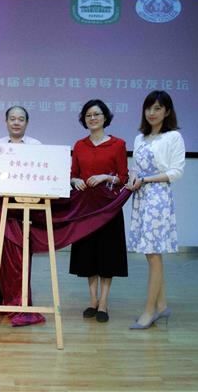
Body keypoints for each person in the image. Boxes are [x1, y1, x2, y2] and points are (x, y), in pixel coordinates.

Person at [126, 90, 185, 329]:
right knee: (151, 254)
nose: (152, 112)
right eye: (149, 108)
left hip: (158, 198)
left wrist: (145, 180)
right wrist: (133, 178)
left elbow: (176, 172)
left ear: (167, 111)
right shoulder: (140, 138)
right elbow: (135, 167)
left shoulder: (173, 137)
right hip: (141, 197)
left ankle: (149, 311)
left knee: (153, 254)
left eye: (158, 108)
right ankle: (161, 306)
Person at [69, 99, 129, 323]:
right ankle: (92, 300)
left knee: (107, 254)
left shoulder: (118, 144)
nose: (92, 118)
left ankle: (104, 302)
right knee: (88, 255)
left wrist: (105, 177)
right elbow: (72, 175)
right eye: (88, 115)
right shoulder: (80, 145)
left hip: (108, 208)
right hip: (85, 208)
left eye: (96, 114)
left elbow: (123, 177)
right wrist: (75, 181)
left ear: (105, 117)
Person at [0, 106, 45, 327]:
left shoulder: (36, 146)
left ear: (26, 123)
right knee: (2, 257)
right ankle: (3, 300)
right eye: (12, 118)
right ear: (6, 122)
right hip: (3, 209)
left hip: (26, 211)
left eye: (21, 119)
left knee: (22, 260)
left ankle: (20, 302)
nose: (16, 122)